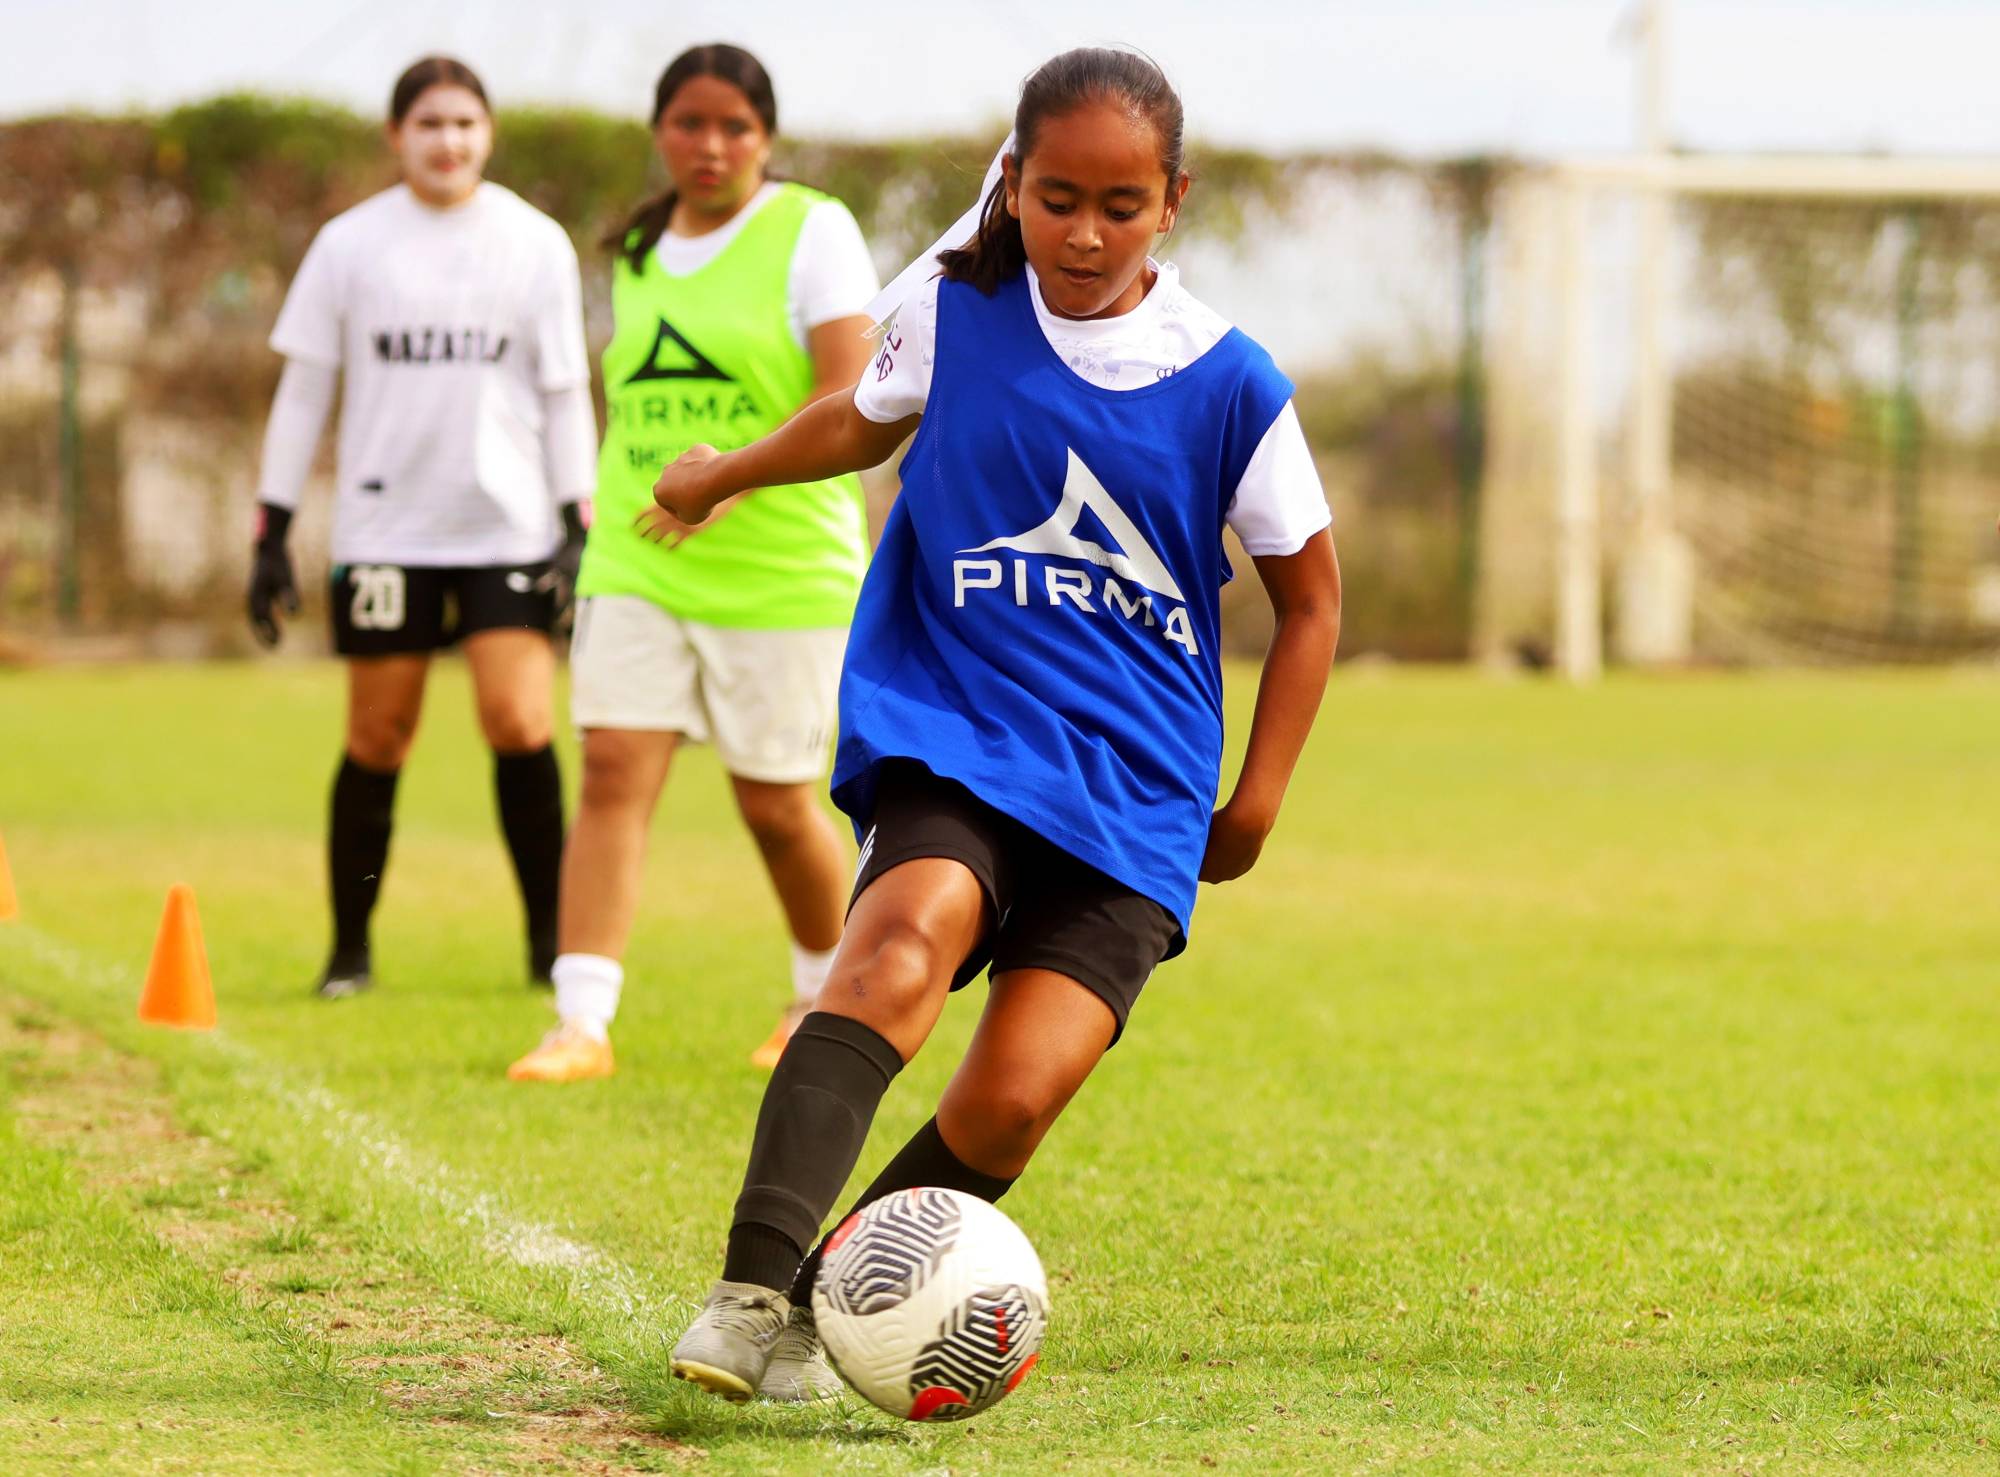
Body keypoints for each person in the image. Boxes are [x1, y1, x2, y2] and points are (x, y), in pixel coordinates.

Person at [654, 48, 1342, 1402]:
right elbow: (862, 419)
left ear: (1173, 201)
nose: (1087, 232)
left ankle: (820, 1307)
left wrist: (1255, 797)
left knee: (1011, 1100)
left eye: (1124, 204)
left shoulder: (1232, 380)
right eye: (1061, 197)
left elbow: (1310, 600)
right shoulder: (955, 316)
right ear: (1013, 185)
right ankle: (749, 1293)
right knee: (900, 947)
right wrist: (723, 475)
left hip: (1137, 790)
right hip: (959, 723)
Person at [506, 45, 878, 1084]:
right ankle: (579, 1021)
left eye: (734, 128)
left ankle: (816, 993)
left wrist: (726, 487)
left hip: (780, 563)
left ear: (765, 137)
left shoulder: (815, 230)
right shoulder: (632, 249)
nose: (709, 147)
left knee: (774, 798)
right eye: (688, 125)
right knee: (615, 769)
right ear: (658, 130)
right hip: (635, 555)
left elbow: (849, 399)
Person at [248, 56, 595, 1000]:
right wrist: (271, 528)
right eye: (429, 124)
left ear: (489, 134)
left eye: (465, 124)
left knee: (519, 719)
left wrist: (578, 518)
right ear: (395, 135)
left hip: (507, 529)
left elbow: (565, 395)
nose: (448, 141)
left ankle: (548, 947)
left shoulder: (535, 243)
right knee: (379, 734)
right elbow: (303, 391)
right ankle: (349, 951)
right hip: (386, 530)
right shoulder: (349, 245)